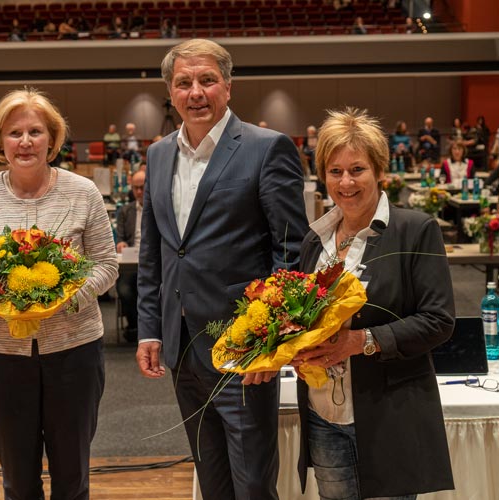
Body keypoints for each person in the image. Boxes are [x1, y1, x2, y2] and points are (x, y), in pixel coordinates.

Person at [136, 39, 308, 500]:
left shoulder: (266, 148)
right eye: (184, 83)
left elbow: (291, 252)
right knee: (211, 480)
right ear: (170, 93)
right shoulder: (157, 155)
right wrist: (150, 330)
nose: (196, 92)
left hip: (243, 350)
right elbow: (155, 252)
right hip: (182, 349)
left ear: (228, 88)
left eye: (207, 80)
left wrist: (268, 340)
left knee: (252, 484)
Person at [0, 88, 117, 500]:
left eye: (36, 132)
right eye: (14, 133)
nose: (25, 142)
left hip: (74, 350)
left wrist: (65, 301)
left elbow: (106, 265)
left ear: (53, 139)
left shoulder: (83, 192)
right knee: (18, 480)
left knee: (72, 476)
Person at [291, 107, 454, 499]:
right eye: (335, 171)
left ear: (380, 169)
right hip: (322, 416)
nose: (345, 182)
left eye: (357, 169)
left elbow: (438, 320)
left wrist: (360, 340)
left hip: (388, 415)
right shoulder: (315, 240)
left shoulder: (415, 230)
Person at [116, 169, 145, 342]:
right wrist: (121, 244)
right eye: (136, 188)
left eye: (142, 187)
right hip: (130, 261)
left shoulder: (158, 208)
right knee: (125, 290)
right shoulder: (125, 211)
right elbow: (119, 237)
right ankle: (135, 326)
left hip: (153, 264)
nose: (139, 192)